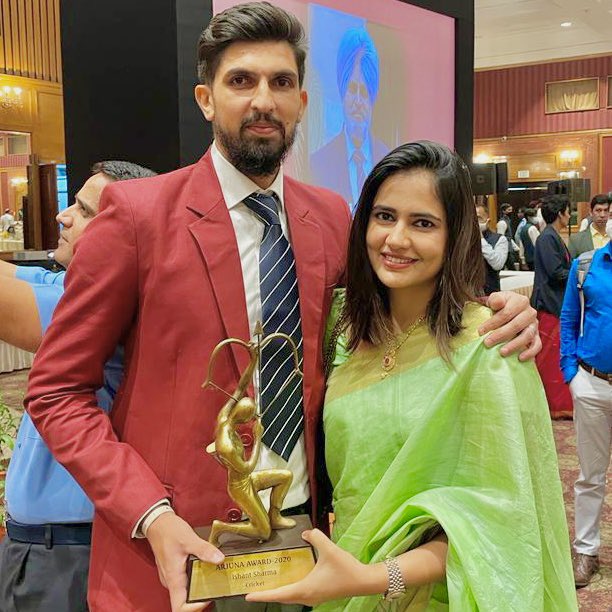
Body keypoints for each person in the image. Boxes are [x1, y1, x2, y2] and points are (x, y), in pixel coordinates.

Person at [25, 5, 539, 611]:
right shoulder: (139, 217)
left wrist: (496, 311)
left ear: (302, 101)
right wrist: (150, 514)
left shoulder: (329, 217)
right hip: (175, 555)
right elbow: (57, 391)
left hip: (307, 550)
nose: (263, 100)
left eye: (281, 82)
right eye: (241, 81)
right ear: (206, 99)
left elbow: (392, 313)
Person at [247, 141, 576, 611]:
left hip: (432, 595)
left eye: (423, 223)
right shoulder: (340, 327)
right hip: (340, 579)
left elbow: (498, 519)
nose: (396, 239)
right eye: (384, 216)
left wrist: (376, 577)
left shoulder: (488, 347)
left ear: (454, 235)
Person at [0, 161, 156, 612]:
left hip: (69, 554)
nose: (63, 216)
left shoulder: (93, 305)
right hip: (44, 547)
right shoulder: (71, 283)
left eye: (85, 211)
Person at [560, 222, 612, 588]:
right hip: (591, 383)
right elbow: (568, 318)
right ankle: (586, 550)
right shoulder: (586, 265)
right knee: (590, 475)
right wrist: (571, 373)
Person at [310, 27, 389, 213]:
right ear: (342, 91)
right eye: (352, 90)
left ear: (373, 97)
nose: (358, 102)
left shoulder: (389, 159)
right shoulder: (318, 164)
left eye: (365, 92)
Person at [532, 194, 573, 419]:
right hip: (549, 303)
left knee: (555, 355)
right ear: (560, 213)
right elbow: (556, 273)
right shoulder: (547, 237)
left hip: (555, 302)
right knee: (550, 357)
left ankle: (558, 404)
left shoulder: (551, 235)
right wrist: (578, 271)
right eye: (568, 211)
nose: (570, 215)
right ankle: (553, 406)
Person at [476, 202, 508, 294]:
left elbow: (497, 264)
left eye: (478, 218)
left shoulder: (500, 239)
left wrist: (481, 239)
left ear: (487, 220)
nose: (474, 222)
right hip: (468, 294)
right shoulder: (463, 241)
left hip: (490, 293)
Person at [568, 194, 610, 259]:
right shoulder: (576, 240)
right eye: (598, 210)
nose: (602, 215)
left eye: (606, 210)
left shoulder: (610, 236)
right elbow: (571, 264)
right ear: (591, 212)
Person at [496, 202, 519, 269]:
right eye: (509, 210)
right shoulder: (502, 222)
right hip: (505, 250)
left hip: (509, 248)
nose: (511, 212)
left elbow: (509, 237)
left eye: (511, 210)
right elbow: (501, 237)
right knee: (510, 268)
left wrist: (515, 247)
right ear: (503, 211)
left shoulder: (508, 221)